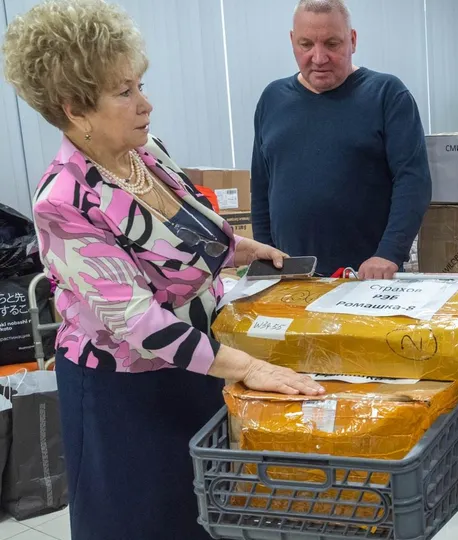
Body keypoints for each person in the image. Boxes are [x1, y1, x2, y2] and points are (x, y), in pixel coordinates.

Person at [1, 2, 325, 539]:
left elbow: (191, 233)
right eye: (124, 92)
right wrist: (248, 367)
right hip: (126, 389)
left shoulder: (145, 152)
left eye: (140, 85)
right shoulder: (65, 201)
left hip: (201, 362)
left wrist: (246, 250)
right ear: (76, 109)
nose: (145, 103)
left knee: (207, 511)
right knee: (145, 519)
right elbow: (138, 322)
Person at [251, 0, 431, 279]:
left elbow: (413, 180)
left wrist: (389, 253)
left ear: (353, 40)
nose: (318, 57)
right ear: (292, 41)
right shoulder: (272, 99)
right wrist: (265, 255)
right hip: (290, 278)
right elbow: (262, 187)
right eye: (306, 44)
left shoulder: (387, 95)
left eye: (332, 44)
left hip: (366, 278)